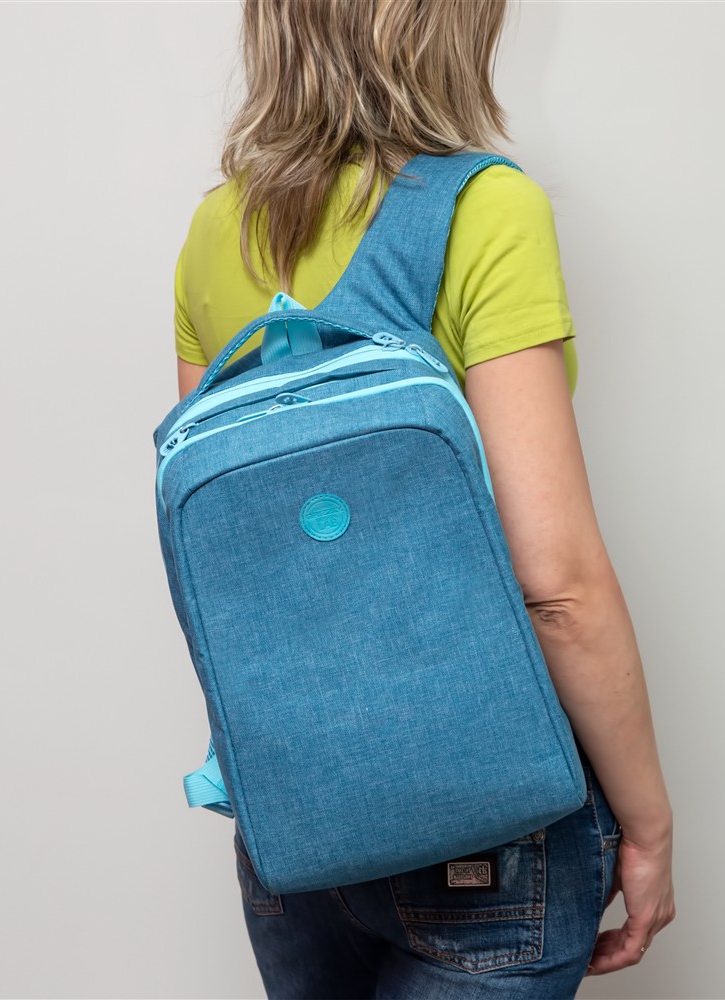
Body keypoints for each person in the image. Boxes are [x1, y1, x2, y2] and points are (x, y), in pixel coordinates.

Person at [171, 1, 675, 996]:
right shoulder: (487, 209)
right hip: (487, 830)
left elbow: (230, 570)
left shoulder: (214, 230)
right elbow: (556, 586)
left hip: (293, 819)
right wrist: (648, 821)